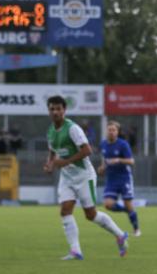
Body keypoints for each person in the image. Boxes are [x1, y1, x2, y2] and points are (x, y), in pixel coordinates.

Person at [44, 96, 129, 260]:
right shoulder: (50, 131)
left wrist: (65, 161)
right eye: (52, 109)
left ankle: (120, 235)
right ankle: (75, 251)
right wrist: (50, 163)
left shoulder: (72, 128)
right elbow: (52, 151)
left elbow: (87, 150)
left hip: (84, 176)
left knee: (90, 215)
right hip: (67, 177)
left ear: (64, 110)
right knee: (65, 210)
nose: (55, 112)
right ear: (49, 111)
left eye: (58, 109)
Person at [98, 121, 141, 236]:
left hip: (124, 178)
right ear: (106, 131)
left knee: (128, 203)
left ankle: (136, 229)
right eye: (109, 130)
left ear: (117, 132)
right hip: (111, 179)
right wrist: (102, 168)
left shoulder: (123, 144)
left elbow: (131, 161)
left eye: (114, 130)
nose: (111, 132)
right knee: (107, 204)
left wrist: (118, 160)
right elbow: (104, 159)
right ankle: (128, 211)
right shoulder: (103, 144)